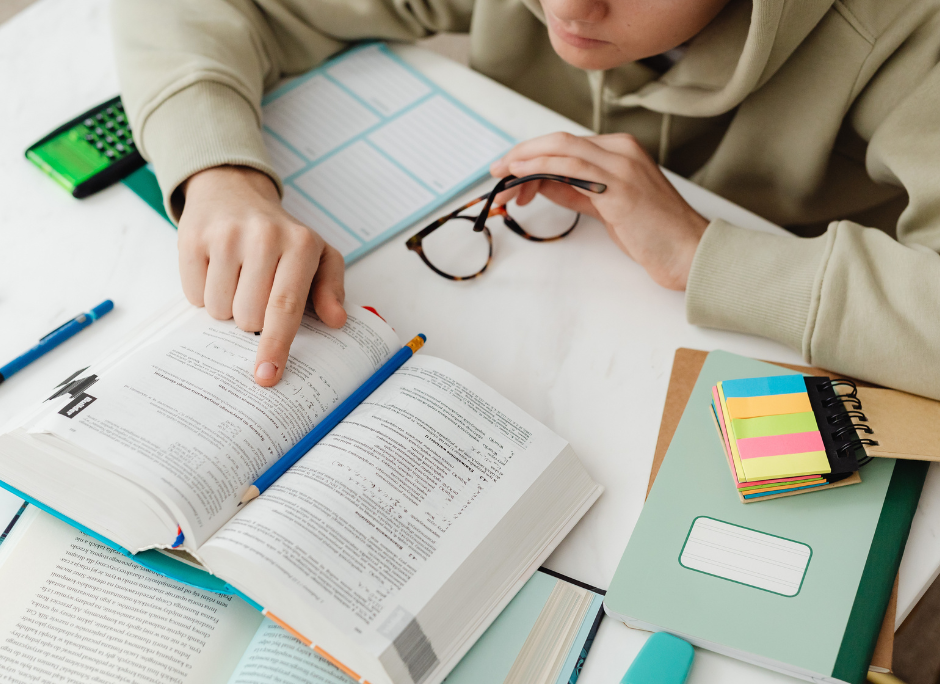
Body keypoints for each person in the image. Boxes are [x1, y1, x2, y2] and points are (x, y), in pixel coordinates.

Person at [113, 0, 940, 398]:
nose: (571, 9)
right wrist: (218, 176)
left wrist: (703, 251)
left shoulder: (908, 26)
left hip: (793, 373)